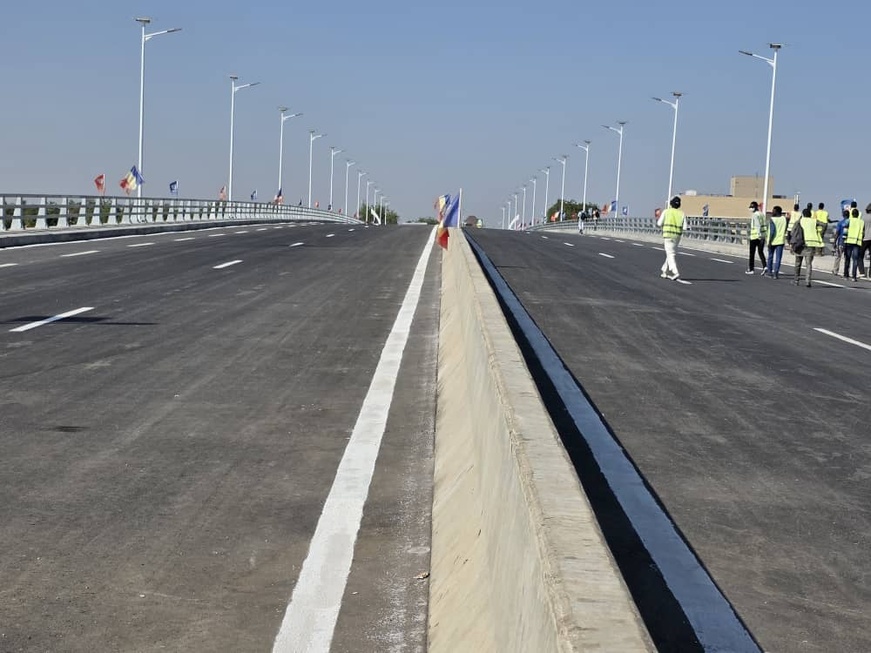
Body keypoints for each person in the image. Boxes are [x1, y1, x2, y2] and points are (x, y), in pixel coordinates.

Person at [657, 196, 687, 281]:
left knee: (670, 254)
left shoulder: (666, 212)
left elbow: (659, 223)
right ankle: (665, 271)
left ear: (671, 204)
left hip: (668, 236)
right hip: (677, 237)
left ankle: (675, 272)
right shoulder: (682, 214)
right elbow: (685, 227)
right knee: (670, 253)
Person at [793, 207, 824, 287]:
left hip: (800, 244)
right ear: (810, 214)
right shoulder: (814, 221)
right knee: (808, 264)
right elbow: (824, 224)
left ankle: (796, 280)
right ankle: (808, 281)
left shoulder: (799, 221)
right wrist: (818, 231)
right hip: (811, 244)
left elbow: (793, 231)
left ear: (803, 214)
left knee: (798, 263)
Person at [764, 205, 787, 279]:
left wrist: (769, 241)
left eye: (773, 211)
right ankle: (776, 273)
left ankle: (769, 272)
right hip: (780, 241)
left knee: (770, 257)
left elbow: (772, 231)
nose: (772, 212)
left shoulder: (772, 219)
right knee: (778, 258)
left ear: (777, 212)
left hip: (773, 241)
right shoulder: (784, 219)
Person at [843, 207, 865, 282]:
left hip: (848, 241)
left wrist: (844, 240)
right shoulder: (861, 222)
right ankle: (854, 276)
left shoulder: (848, 220)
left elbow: (845, 231)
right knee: (855, 260)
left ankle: (846, 275)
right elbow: (863, 233)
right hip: (857, 242)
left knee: (847, 259)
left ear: (852, 214)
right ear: (858, 215)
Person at [746, 201, 767, 274]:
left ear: (755, 207)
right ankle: (765, 266)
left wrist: (758, 234)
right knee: (761, 252)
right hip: (763, 236)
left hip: (755, 237)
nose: (750, 208)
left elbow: (757, 225)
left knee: (752, 254)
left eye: (752, 207)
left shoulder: (755, 215)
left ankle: (751, 269)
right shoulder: (762, 214)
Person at [832, 209, 850, 276]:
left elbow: (837, 233)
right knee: (847, 258)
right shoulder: (850, 223)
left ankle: (835, 270)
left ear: (843, 215)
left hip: (841, 242)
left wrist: (834, 242)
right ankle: (846, 272)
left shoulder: (840, 223)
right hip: (848, 242)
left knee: (838, 257)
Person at [861, 203, 871, 278]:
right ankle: (870, 274)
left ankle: (862, 272)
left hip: (865, 239)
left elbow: (862, 229)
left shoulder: (863, 217)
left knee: (860, 256)